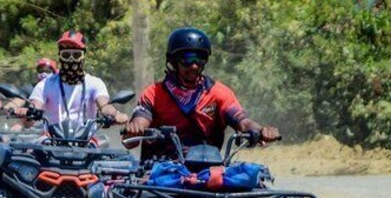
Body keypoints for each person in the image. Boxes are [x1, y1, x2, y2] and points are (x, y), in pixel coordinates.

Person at [123, 27, 279, 158]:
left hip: (206, 171)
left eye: (200, 59)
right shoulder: (154, 93)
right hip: (161, 174)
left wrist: (260, 131)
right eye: (187, 59)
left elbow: (243, 122)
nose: (194, 66)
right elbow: (137, 128)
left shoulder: (218, 93)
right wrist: (134, 129)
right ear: (173, 61)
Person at [15, 31, 129, 130]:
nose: (71, 60)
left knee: (120, 156)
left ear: (83, 57)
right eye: (66, 55)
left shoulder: (95, 83)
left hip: (87, 141)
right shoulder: (46, 84)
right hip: (51, 140)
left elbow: (104, 106)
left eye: (76, 55)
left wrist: (115, 114)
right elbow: (35, 107)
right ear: (60, 56)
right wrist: (28, 113)